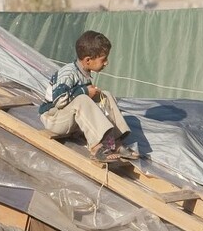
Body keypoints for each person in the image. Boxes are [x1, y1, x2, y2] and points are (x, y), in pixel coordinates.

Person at [38, 30, 134, 163]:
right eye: (103, 59)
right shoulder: (68, 73)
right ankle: (96, 148)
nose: (106, 63)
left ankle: (114, 142)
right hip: (53, 118)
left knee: (105, 95)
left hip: (69, 120)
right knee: (83, 99)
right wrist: (84, 92)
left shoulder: (84, 73)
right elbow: (59, 100)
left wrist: (92, 95)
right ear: (88, 60)